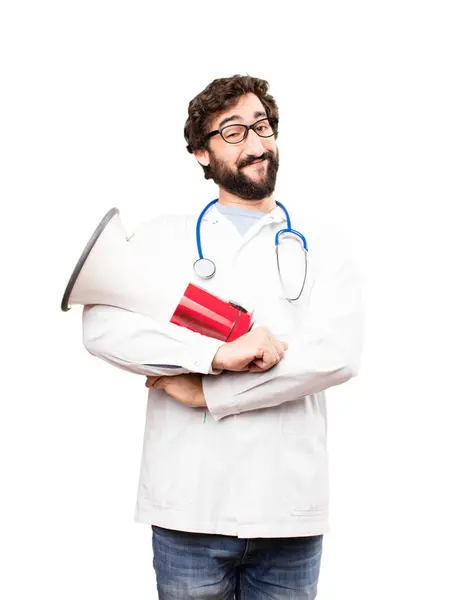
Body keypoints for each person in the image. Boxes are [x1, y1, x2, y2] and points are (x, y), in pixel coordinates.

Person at [82, 74, 364, 599]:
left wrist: (207, 391)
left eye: (262, 126)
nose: (256, 144)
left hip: (288, 512)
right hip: (188, 506)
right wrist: (213, 354)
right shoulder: (162, 235)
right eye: (233, 132)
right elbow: (103, 328)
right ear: (200, 153)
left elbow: (338, 355)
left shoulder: (324, 240)